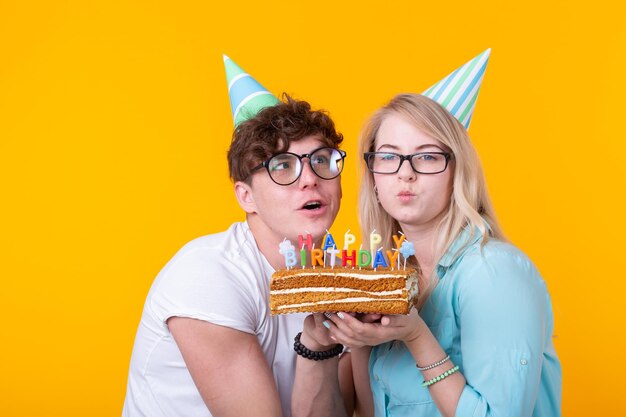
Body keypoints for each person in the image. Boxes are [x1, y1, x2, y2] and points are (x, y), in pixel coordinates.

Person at [292, 54, 561, 417]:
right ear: (373, 179)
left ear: (458, 172)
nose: (406, 174)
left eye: (428, 157)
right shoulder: (390, 277)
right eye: (389, 157)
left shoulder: (493, 273)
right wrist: (357, 336)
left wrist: (416, 335)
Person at [122, 91, 348, 416]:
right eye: (283, 167)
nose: (310, 179)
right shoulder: (207, 276)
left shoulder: (345, 279)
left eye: (322, 160)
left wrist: (319, 343)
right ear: (246, 197)